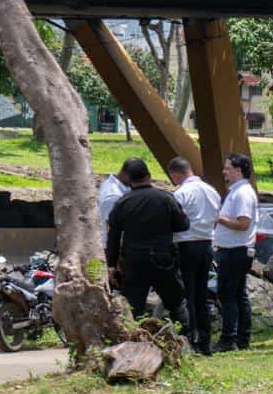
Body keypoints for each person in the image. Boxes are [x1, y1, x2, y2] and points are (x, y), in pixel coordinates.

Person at [105, 157, 189, 324]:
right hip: (163, 259)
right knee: (176, 304)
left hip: (134, 261)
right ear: (149, 175)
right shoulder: (166, 198)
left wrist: (112, 265)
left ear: (129, 179)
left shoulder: (122, 203)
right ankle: (189, 340)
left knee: (133, 308)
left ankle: (133, 343)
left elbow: (113, 238)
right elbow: (183, 225)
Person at [168, 156, 221, 356]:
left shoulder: (181, 193)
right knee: (202, 294)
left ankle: (191, 338)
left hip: (186, 244)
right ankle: (205, 341)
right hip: (207, 243)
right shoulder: (211, 191)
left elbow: (174, 220)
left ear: (175, 174)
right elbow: (216, 217)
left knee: (187, 295)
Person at [213, 153, 258, 352]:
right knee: (238, 295)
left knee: (228, 295)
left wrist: (218, 219)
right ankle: (241, 338)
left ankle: (229, 338)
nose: (224, 172)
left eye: (227, 168)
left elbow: (243, 223)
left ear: (238, 170)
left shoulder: (243, 194)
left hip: (235, 251)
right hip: (232, 251)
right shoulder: (236, 192)